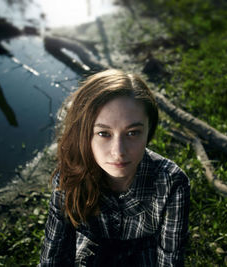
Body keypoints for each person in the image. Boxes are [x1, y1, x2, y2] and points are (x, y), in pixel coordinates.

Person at [38, 69, 190, 266]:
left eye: (133, 133)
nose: (118, 152)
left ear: (149, 131)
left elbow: (170, 259)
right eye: (103, 133)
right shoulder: (69, 178)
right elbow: (54, 256)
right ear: (85, 134)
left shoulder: (171, 183)